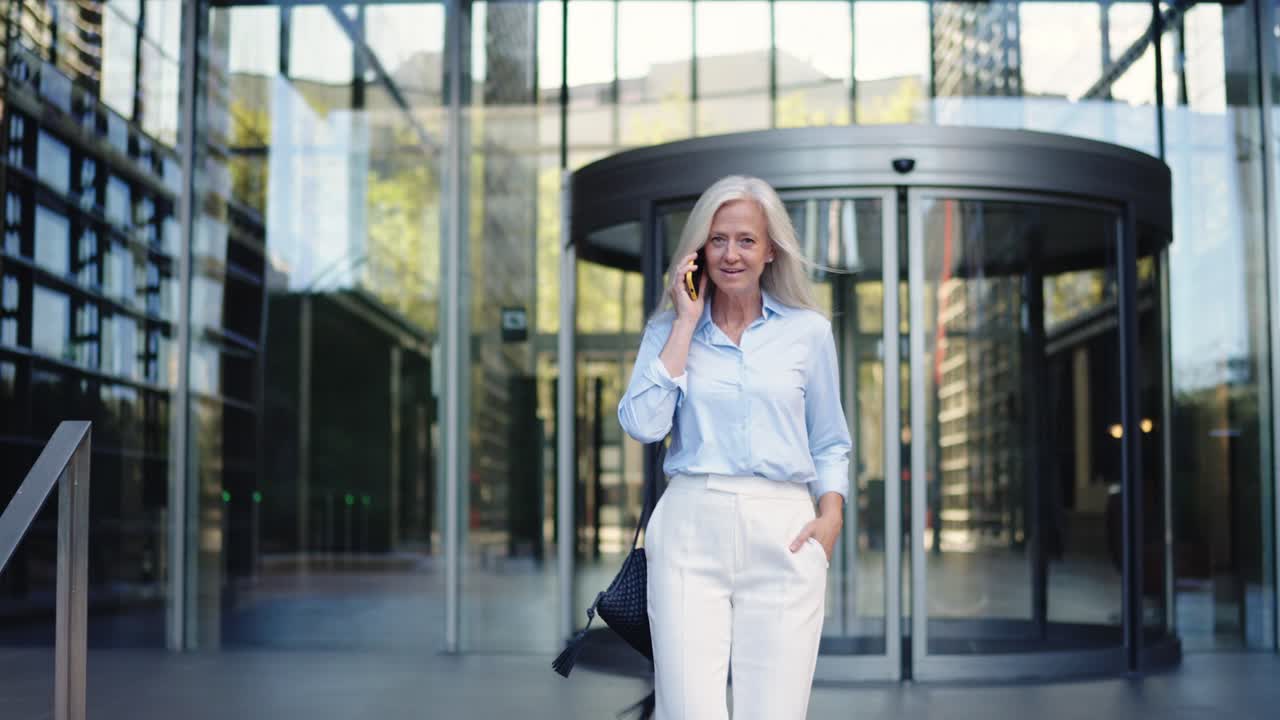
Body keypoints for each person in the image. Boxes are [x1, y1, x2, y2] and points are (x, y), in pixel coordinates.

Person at [618, 175, 852, 720]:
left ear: (770, 249)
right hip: (690, 526)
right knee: (689, 712)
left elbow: (830, 439)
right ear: (699, 250)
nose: (731, 254)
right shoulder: (670, 328)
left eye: (746, 240)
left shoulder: (808, 333)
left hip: (786, 530)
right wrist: (685, 323)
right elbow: (643, 424)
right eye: (718, 239)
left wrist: (831, 516)